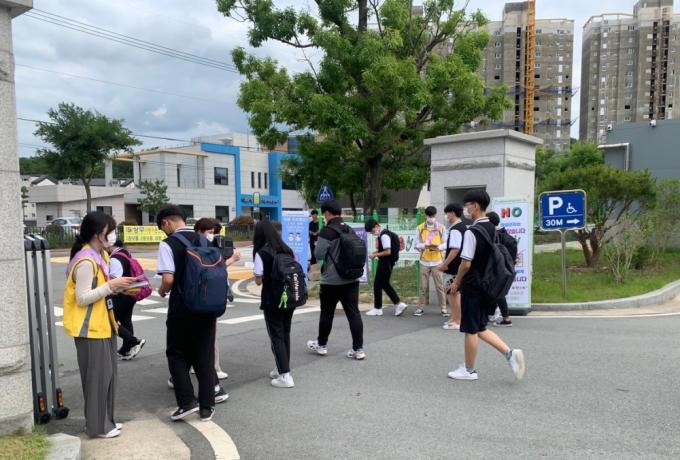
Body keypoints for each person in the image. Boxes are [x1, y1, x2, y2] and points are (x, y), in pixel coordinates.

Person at [63, 211, 134, 438]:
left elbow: (100, 290)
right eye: (109, 230)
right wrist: (111, 286)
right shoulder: (86, 260)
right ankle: (98, 427)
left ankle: (106, 422)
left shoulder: (99, 255)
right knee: (97, 381)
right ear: (97, 234)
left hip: (103, 325)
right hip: (90, 329)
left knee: (107, 378)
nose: (113, 234)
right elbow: (82, 298)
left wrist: (119, 287)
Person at [156, 206, 228, 423]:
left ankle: (187, 402)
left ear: (167, 222)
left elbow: (168, 279)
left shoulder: (168, 244)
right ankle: (207, 407)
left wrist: (162, 291)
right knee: (204, 355)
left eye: (162, 227)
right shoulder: (205, 240)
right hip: (207, 305)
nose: (163, 231)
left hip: (182, 307)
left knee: (176, 353)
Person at [449, 190, 525, 381]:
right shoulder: (493, 228)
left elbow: (466, 263)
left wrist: (457, 281)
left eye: (467, 205)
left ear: (475, 205)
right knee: (480, 326)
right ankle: (510, 354)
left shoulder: (472, 232)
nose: (465, 209)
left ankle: (469, 370)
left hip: (473, 285)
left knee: (470, 329)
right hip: (489, 284)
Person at [306, 200, 365, 360]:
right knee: (354, 313)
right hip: (351, 278)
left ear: (327, 213)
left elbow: (318, 255)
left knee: (327, 313)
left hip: (331, 281)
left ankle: (322, 345)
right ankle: (358, 349)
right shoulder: (349, 229)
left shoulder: (327, 231)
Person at [193, 218, 241, 380]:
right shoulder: (199, 248)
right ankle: (214, 368)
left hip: (205, 294)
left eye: (214, 232)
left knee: (200, 333)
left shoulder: (204, 246)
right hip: (207, 296)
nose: (213, 236)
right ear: (200, 231)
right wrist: (232, 260)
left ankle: (197, 364)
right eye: (211, 232)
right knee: (210, 333)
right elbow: (213, 268)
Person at [253, 220, 297, 388]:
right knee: (285, 333)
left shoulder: (261, 253)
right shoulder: (287, 249)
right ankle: (281, 368)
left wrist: (260, 275)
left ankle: (285, 376)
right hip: (289, 297)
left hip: (272, 299)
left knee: (276, 335)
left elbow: (258, 280)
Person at [108, 240, 146, 360]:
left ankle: (134, 341)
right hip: (131, 293)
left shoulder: (115, 258)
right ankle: (125, 350)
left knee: (111, 321)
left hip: (121, 294)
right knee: (126, 321)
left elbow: (115, 280)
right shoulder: (125, 253)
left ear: (110, 244)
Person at [364, 219, 407, 316]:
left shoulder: (384, 235)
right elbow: (385, 250)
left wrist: (375, 255)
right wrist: (376, 252)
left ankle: (378, 308)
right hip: (388, 263)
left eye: (372, 230)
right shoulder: (385, 234)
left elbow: (388, 251)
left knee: (377, 285)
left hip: (385, 263)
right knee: (384, 284)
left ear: (376, 226)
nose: (372, 233)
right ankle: (398, 304)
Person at [414, 206, 447, 317]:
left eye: (432, 216)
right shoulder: (420, 228)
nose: (431, 218)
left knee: (440, 286)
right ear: (426, 216)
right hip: (424, 261)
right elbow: (415, 244)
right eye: (429, 216)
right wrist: (425, 245)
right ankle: (420, 307)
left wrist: (438, 247)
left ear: (435, 215)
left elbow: (446, 243)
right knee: (423, 287)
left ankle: (443, 308)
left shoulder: (441, 228)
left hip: (437, 261)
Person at [438, 203, 466, 330]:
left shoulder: (455, 229)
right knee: (453, 293)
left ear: (452, 213)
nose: (446, 216)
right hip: (459, 265)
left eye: (447, 213)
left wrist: (445, 264)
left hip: (454, 266)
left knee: (453, 293)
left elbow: (455, 249)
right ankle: (454, 318)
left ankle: (457, 320)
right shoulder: (463, 227)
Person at [486, 212, 515, 327]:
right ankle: (490, 315)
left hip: (497, 268)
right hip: (507, 268)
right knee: (497, 291)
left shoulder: (495, 236)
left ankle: (506, 318)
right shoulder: (507, 236)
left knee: (498, 292)